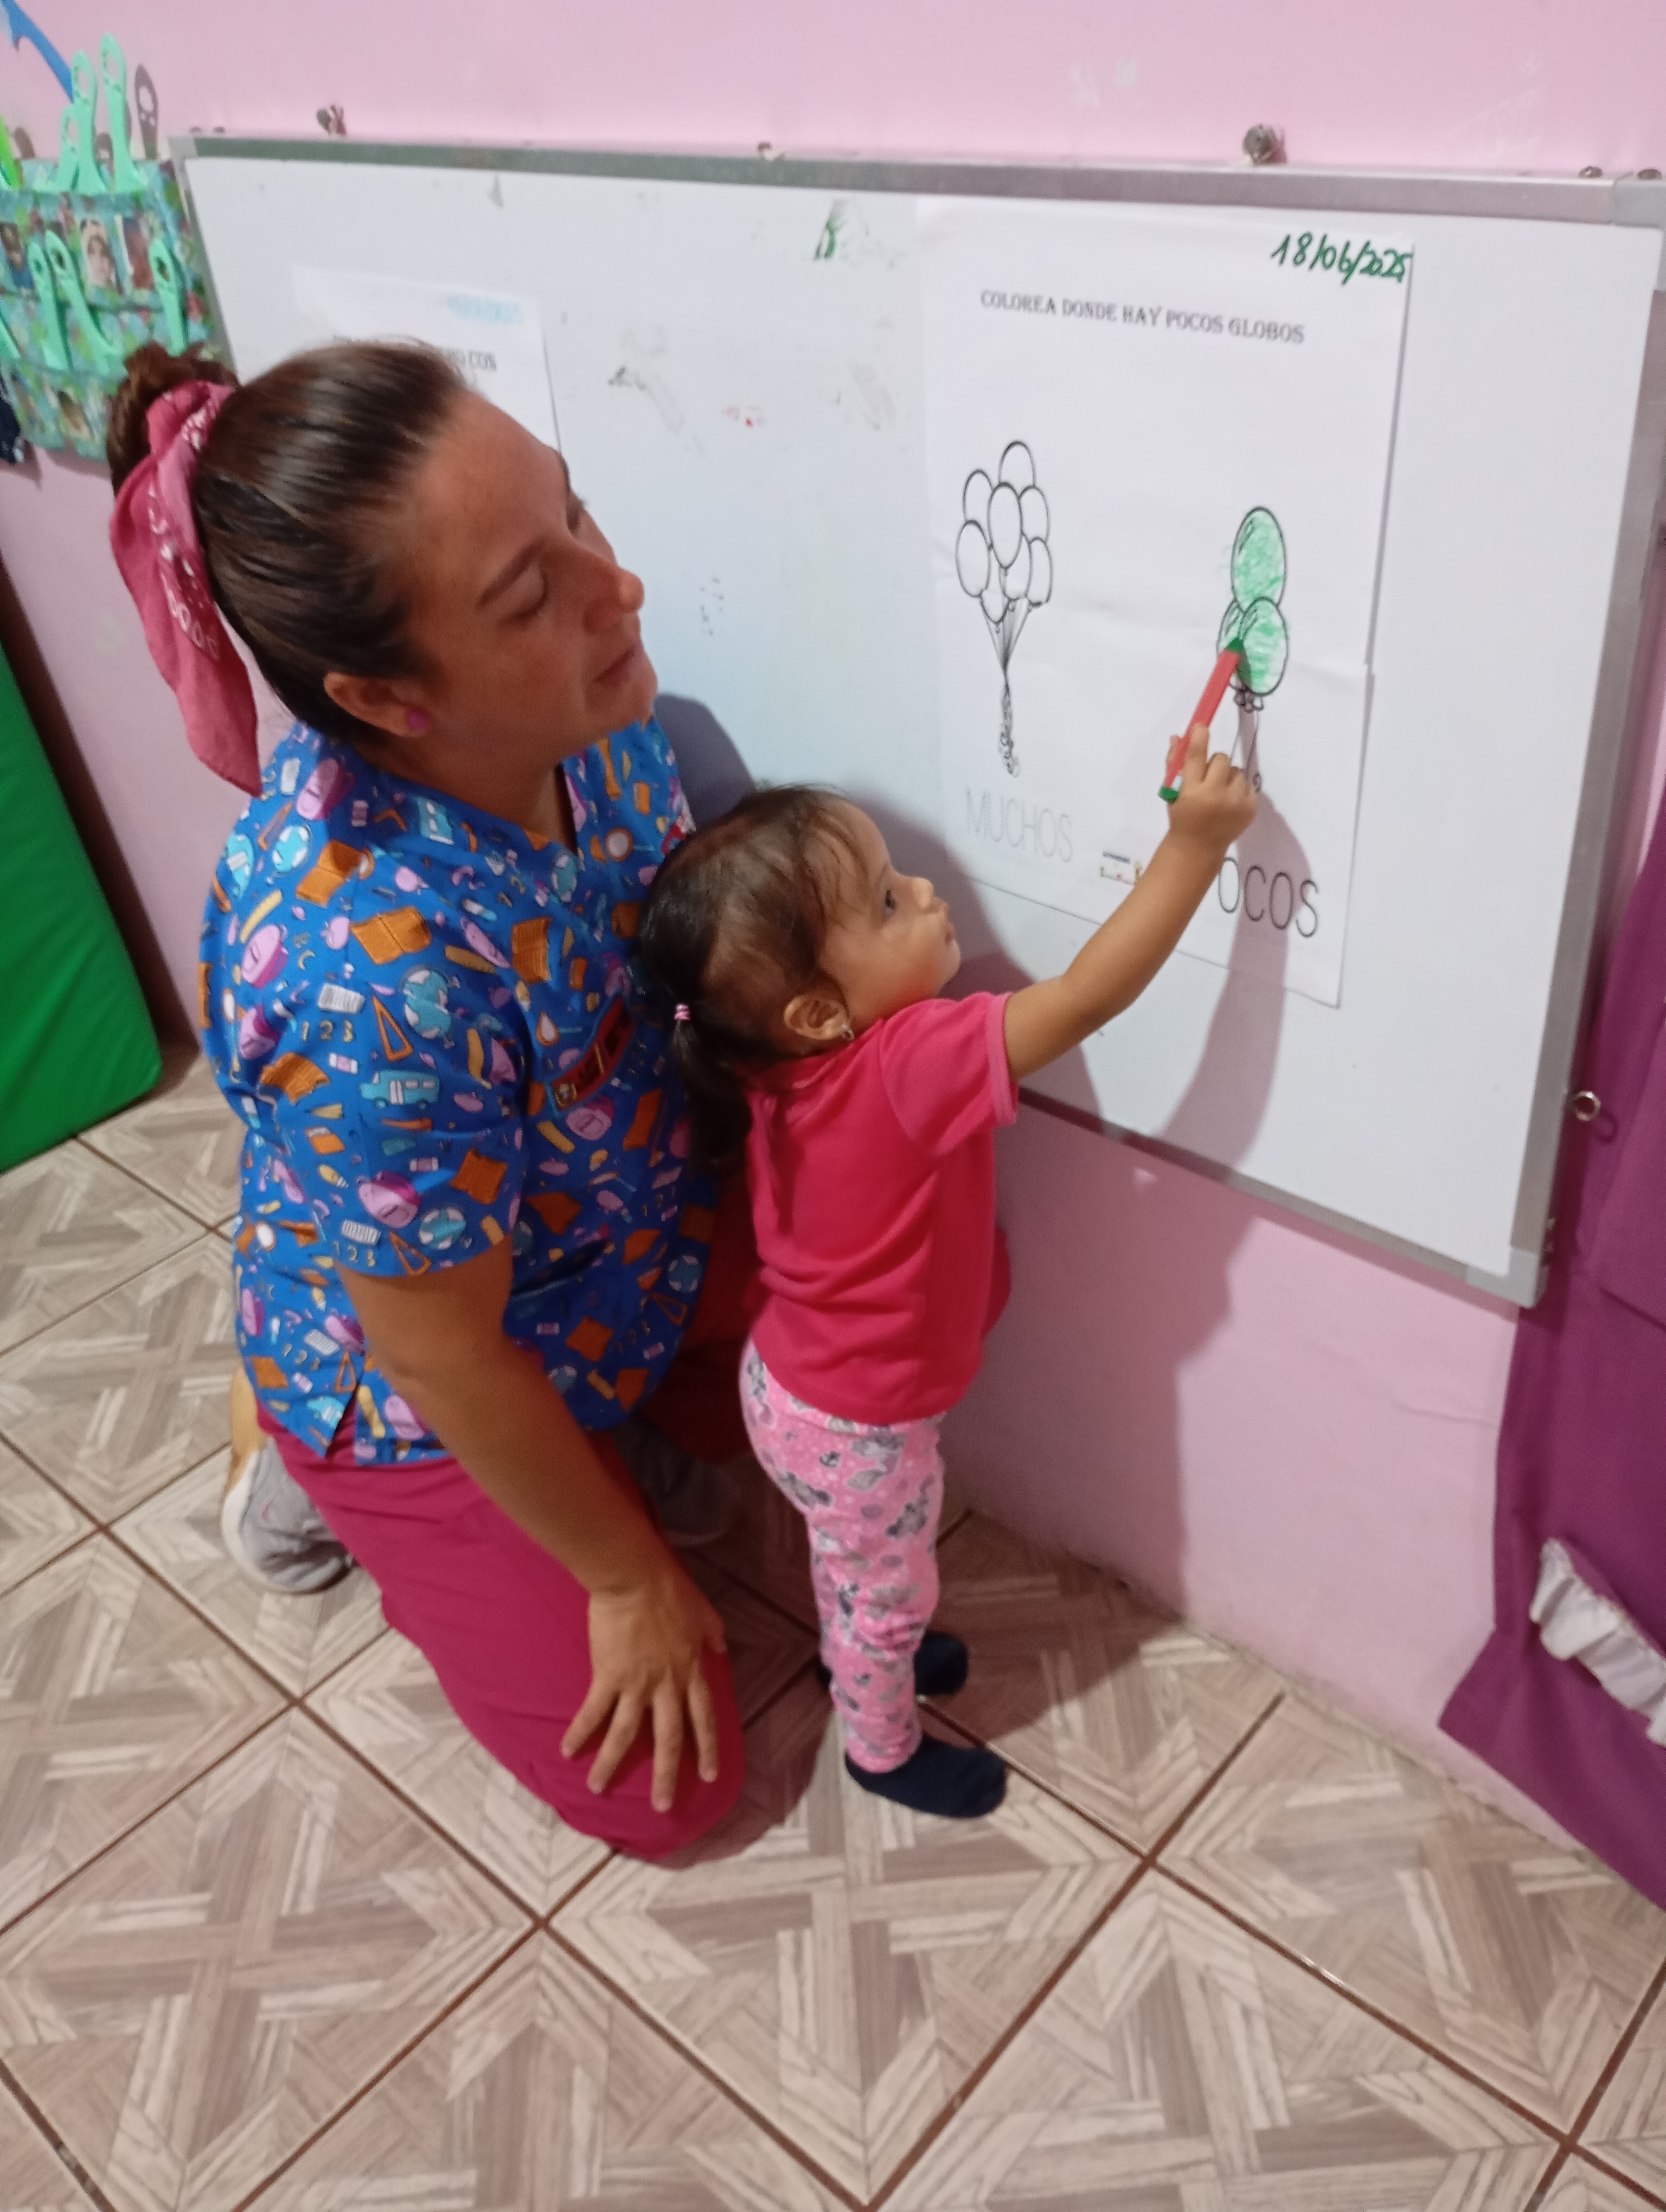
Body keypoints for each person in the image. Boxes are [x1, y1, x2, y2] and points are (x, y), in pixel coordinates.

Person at [105, 339, 758, 1854]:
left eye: (575, 512)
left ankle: (603, 1434)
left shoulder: (610, 741)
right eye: (532, 595)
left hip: (597, 1243)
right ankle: (287, 1454)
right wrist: (622, 1578)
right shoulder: (366, 970)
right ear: (384, 697)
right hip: (422, 1359)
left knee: (912, 1276)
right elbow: (439, 1348)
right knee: (672, 1791)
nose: (619, 587)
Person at [639, 744, 1255, 1817]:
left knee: (857, 1567)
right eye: (888, 901)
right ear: (816, 1013)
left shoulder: (774, 1066)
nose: (925, 892)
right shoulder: (903, 1065)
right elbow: (1085, 999)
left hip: (797, 1389)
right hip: (859, 1426)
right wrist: (1194, 847)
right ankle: (880, 1748)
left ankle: (862, 1651)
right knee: (886, 1589)